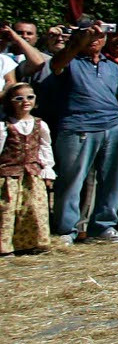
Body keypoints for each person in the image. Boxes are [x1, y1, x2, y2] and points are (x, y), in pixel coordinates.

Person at [33, 19, 118, 245]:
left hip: (113, 127)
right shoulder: (70, 61)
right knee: (72, 181)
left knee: (113, 181)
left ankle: (104, 226)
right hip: (79, 126)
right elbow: (56, 64)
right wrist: (78, 43)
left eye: (99, 36)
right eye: (90, 35)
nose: (95, 40)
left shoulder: (110, 65)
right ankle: (67, 229)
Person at [1, 81, 55, 254]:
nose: (25, 101)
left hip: (32, 173)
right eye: (19, 98)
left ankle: (34, 243)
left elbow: (45, 147)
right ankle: (5, 246)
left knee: (34, 208)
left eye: (30, 97)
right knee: (8, 209)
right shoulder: (4, 126)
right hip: (9, 174)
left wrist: (47, 169)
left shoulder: (40, 125)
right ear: (10, 102)